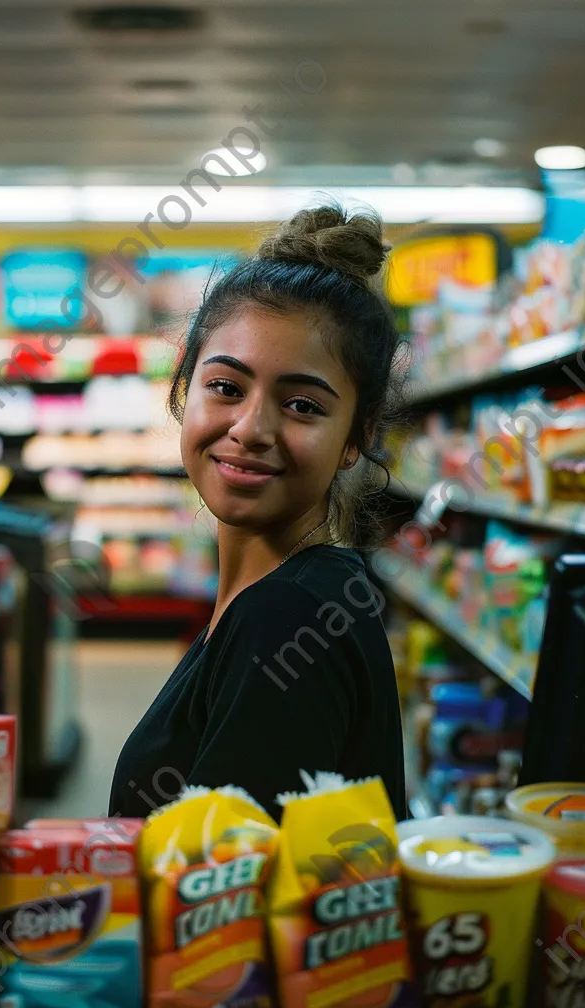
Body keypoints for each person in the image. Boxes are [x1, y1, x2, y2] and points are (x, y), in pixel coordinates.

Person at [108, 202, 406, 822]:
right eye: (225, 387)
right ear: (184, 393)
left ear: (357, 435)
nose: (250, 428)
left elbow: (226, 906)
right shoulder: (276, 597)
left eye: (302, 405)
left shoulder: (285, 618)